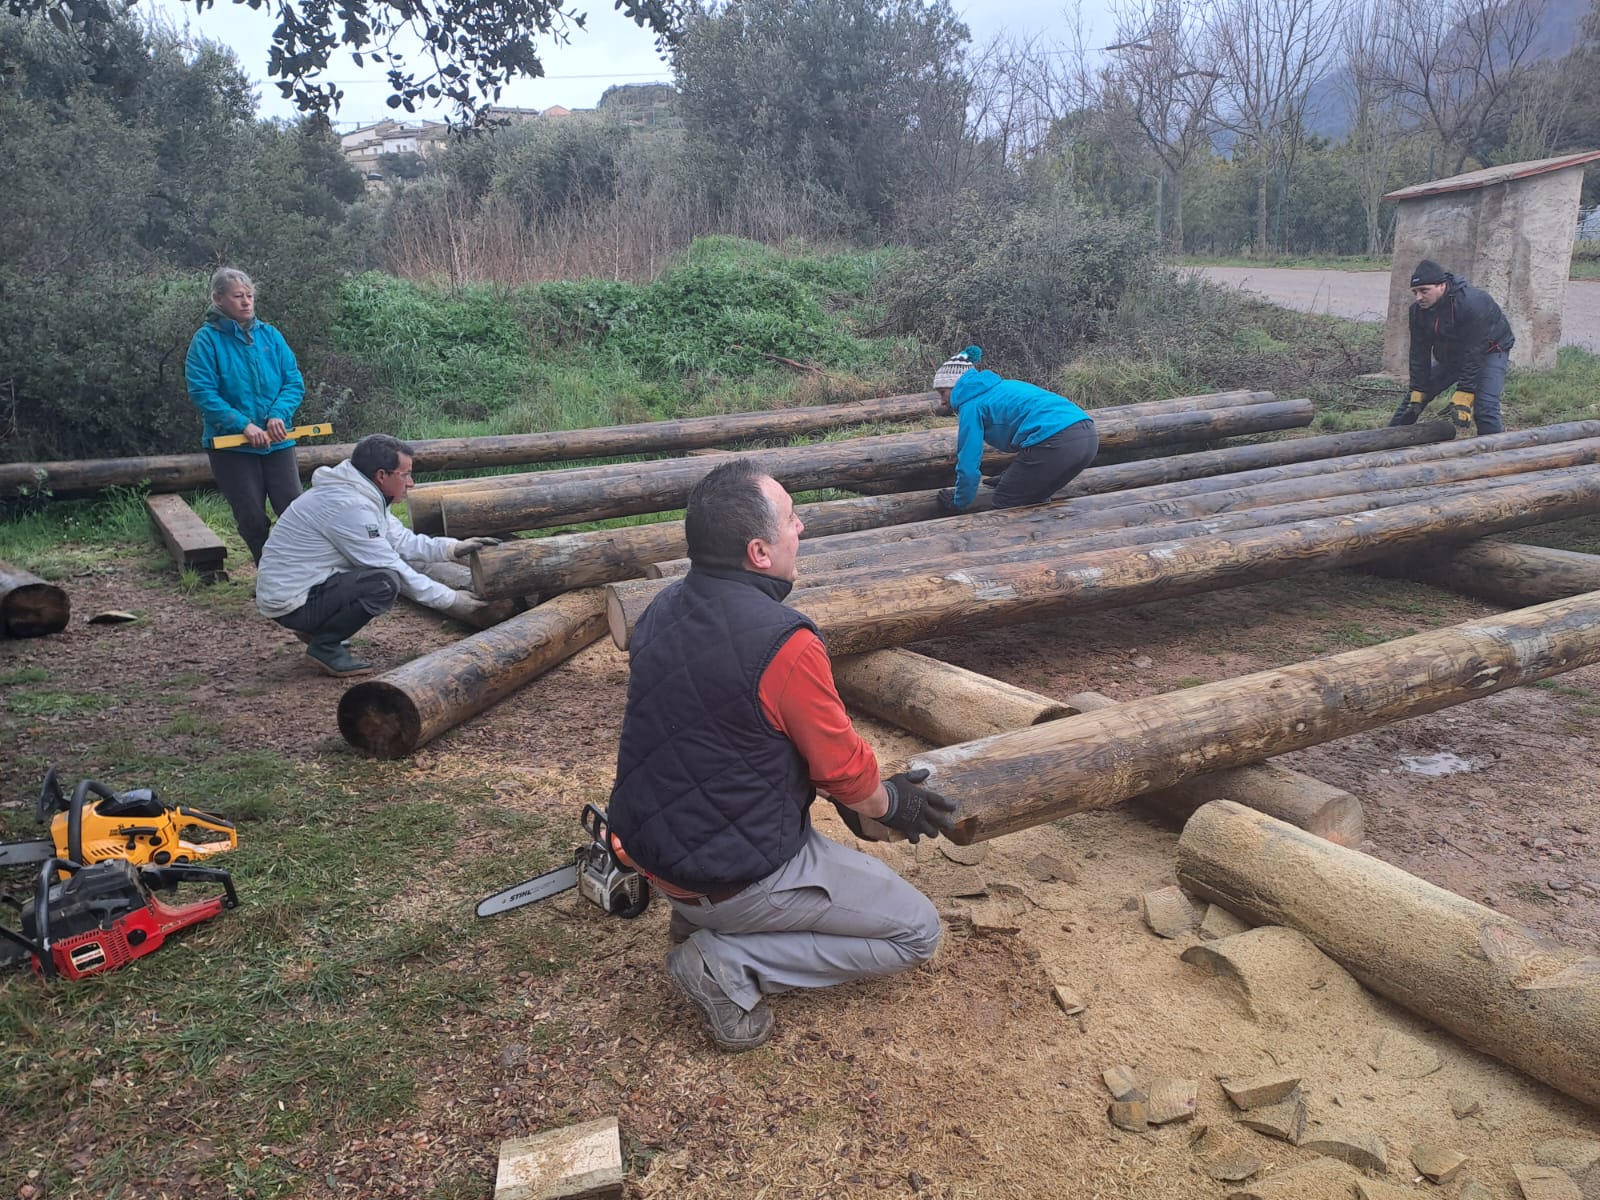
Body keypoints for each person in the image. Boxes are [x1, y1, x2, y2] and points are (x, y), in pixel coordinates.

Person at [607, 459, 957, 1053]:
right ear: (759, 552)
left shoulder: (662, 606)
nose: (802, 530)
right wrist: (889, 802)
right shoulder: (784, 642)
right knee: (916, 932)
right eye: (792, 520)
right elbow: (846, 773)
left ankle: (691, 919)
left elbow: (719, 735)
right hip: (735, 876)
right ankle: (729, 963)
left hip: (650, 848)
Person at [255, 434, 498, 677]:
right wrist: (452, 600)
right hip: (292, 602)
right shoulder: (349, 506)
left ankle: (319, 631)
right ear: (382, 475)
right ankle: (325, 645)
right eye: (405, 474)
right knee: (384, 582)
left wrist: (453, 548)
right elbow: (393, 567)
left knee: (378, 575)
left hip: (301, 587)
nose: (411, 483)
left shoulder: (361, 494)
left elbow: (401, 540)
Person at [185, 267, 306, 563]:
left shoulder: (271, 336)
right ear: (218, 298)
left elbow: (293, 382)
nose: (246, 302)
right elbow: (202, 392)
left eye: (249, 296)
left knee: (296, 509)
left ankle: (303, 571)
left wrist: (279, 414)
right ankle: (269, 573)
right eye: (238, 296)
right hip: (232, 447)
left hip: (278, 443)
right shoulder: (206, 341)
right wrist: (243, 425)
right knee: (251, 516)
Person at [931, 345, 1099, 514]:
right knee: (1034, 499)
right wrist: (1011, 477)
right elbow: (1029, 423)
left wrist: (959, 502)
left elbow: (968, 461)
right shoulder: (1003, 387)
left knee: (1006, 501)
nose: (942, 401)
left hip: (1056, 442)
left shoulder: (971, 406)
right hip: (1088, 435)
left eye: (943, 392)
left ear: (956, 386)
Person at [1388, 258, 1515, 436]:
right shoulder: (1417, 311)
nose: (1418, 297)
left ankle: (1495, 457)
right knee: (1412, 403)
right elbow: (1419, 352)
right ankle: (1384, 443)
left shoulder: (1473, 303)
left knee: (1485, 408)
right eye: (1415, 292)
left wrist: (1465, 392)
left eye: (1424, 291)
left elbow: (1475, 351)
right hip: (1453, 356)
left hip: (1490, 351)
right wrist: (1418, 387)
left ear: (1442, 285)